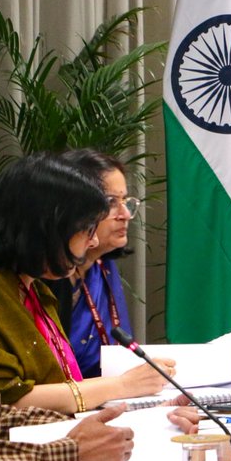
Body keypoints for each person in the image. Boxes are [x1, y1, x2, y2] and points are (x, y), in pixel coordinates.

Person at [0, 228, 199, 461]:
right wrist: (71, 453)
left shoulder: (34, 288)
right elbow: (8, 404)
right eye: (86, 227)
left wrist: (138, 423)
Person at [0, 153, 174, 413]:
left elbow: (60, 382)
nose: (94, 242)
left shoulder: (31, 285)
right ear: (46, 227)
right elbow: (3, 400)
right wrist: (122, 385)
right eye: (87, 228)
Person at [47, 150, 136, 379]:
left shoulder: (103, 267)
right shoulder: (45, 278)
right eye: (111, 202)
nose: (125, 214)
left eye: (125, 201)